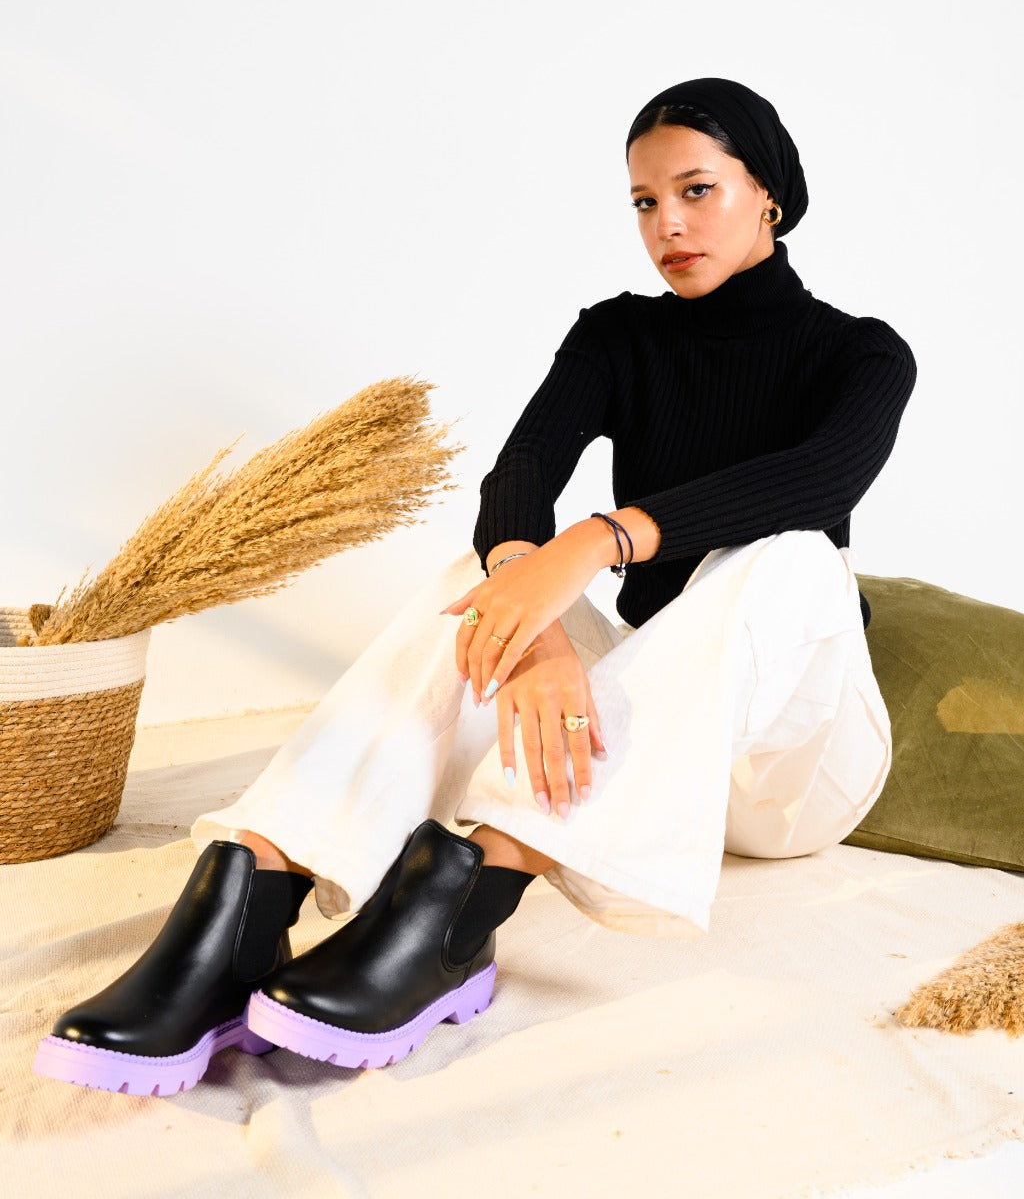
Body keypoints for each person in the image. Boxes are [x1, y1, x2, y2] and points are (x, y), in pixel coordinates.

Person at [34, 77, 916, 1096]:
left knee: (795, 554)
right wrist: (535, 630)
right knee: (479, 574)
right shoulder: (618, 335)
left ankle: (468, 903)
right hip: (653, 735)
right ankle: (253, 892)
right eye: (643, 201)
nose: (666, 224)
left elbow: (818, 479)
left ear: (768, 193)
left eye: (696, 190)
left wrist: (594, 544)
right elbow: (520, 474)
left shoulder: (862, 353)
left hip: (792, 771)